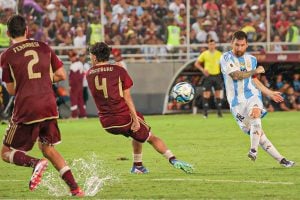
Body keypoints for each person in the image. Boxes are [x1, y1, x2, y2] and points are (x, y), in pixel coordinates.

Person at [0, 15, 84, 196]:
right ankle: (76, 189)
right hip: (49, 106)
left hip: (27, 107)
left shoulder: (6, 56)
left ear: (8, 33)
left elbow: (12, 90)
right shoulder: (44, 47)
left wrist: (27, 81)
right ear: (27, 30)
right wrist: (44, 79)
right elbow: (61, 75)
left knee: (6, 152)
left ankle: (35, 163)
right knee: (47, 148)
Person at [86, 42, 193, 174]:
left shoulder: (89, 73)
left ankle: (138, 166)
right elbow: (127, 97)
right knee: (151, 137)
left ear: (95, 57)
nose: (90, 58)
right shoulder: (119, 70)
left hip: (106, 123)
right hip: (123, 118)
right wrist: (135, 119)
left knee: (136, 135)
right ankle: (173, 159)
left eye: (90, 55)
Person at [220, 31, 295, 167]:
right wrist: (255, 71)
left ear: (247, 45)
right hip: (236, 103)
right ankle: (282, 160)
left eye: (242, 45)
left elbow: (254, 81)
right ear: (232, 43)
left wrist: (269, 93)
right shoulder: (226, 58)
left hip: (252, 95)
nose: (239, 48)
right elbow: (236, 76)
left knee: (256, 113)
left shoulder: (252, 60)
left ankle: (253, 150)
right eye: (236, 45)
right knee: (260, 135)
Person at [194, 39, 223, 118]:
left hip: (217, 75)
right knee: (206, 94)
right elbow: (196, 63)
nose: (212, 46)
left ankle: (219, 113)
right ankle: (205, 113)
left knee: (218, 94)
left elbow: (224, 64)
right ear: (208, 45)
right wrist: (203, 70)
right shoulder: (205, 54)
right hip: (208, 76)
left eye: (213, 44)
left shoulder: (219, 54)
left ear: (215, 45)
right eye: (210, 44)